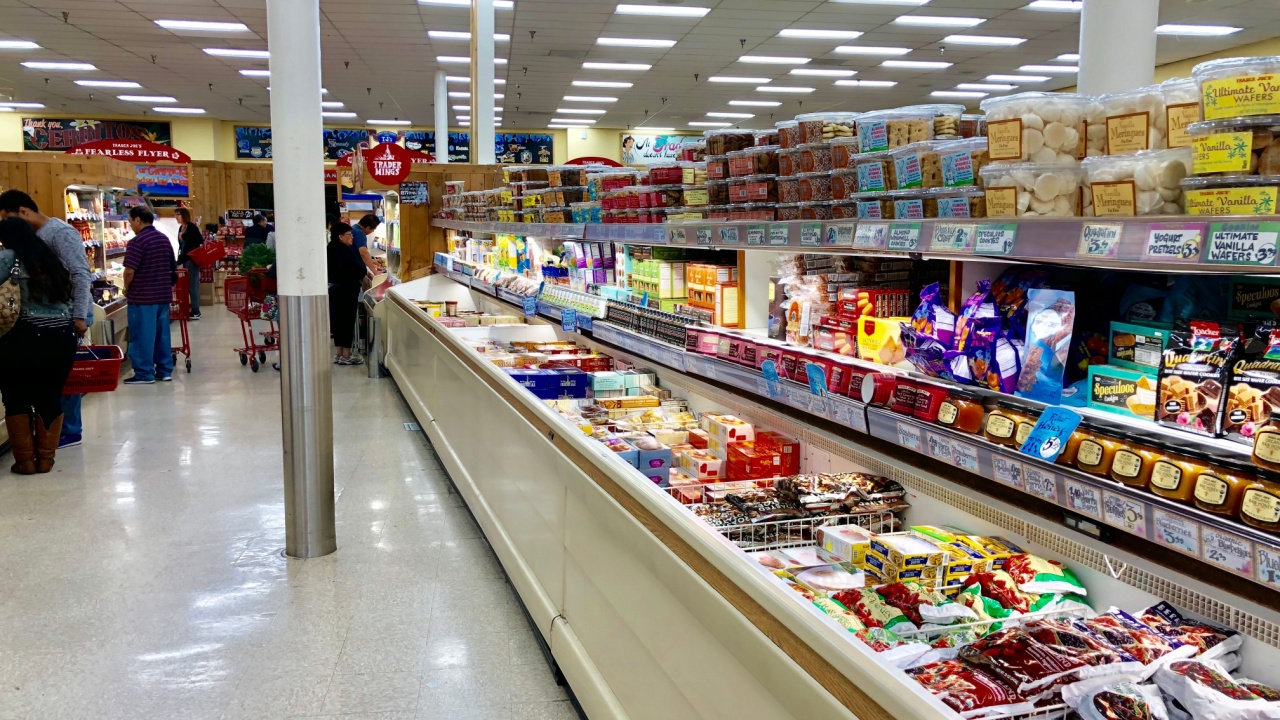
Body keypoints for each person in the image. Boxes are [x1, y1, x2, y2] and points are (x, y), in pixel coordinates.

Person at [0, 190, 93, 449]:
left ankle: (69, 431)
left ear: (23, 212)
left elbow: (80, 273)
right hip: (54, 322)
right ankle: (48, 443)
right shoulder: (34, 240)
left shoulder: (59, 233)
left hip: (68, 315)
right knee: (52, 386)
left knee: (62, 384)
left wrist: (79, 315)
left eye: (9, 218)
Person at [0, 217, 78, 473]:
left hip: (23, 335)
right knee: (50, 396)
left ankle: (25, 462)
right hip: (61, 335)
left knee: (16, 397)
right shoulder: (49, 257)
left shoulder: (6, 258)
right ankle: (46, 460)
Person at [123, 207, 176, 384]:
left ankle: (144, 373)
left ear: (138, 220)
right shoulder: (163, 239)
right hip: (162, 295)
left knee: (142, 335)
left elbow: (129, 271)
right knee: (162, 334)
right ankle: (164, 370)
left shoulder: (137, 242)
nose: (130, 226)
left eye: (130, 221)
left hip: (143, 297)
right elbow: (172, 266)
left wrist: (126, 288)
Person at [327, 222, 366, 366]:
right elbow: (358, 269)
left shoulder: (330, 248)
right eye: (349, 235)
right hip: (348, 290)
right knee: (348, 321)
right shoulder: (345, 250)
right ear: (340, 236)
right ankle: (347, 355)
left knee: (338, 322)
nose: (352, 238)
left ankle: (339, 353)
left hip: (334, 289)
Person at [174, 208, 203, 321]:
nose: (176, 217)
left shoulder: (191, 227)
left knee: (193, 285)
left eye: (178, 214)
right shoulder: (181, 227)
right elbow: (182, 246)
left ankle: (196, 311)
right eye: (175, 215)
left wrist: (184, 237)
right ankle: (193, 307)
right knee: (189, 285)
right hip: (185, 259)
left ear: (184, 215)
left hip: (192, 259)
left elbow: (199, 240)